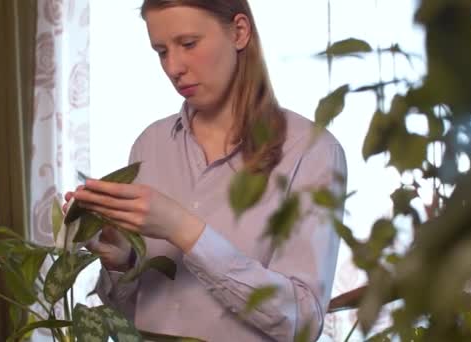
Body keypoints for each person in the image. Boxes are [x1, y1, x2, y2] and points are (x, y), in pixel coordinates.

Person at [64, 0, 347, 341]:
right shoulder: (149, 146)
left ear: (239, 32)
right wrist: (119, 262)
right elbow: (130, 319)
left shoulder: (311, 151)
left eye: (188, 44)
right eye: (161, 51)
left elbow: (302, 322)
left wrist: (183, 228)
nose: (173, 67)